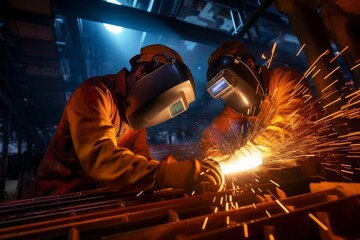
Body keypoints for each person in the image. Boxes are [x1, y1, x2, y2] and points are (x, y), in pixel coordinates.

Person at [26, 44, 223, 198]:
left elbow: (139, 158)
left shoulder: (136, 114)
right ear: (142, 73)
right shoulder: (95, 94)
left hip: (95, 196)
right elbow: (101, 159)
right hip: (56, 199)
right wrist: (164, 174)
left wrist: (171, 169)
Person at [200, 40, 321, 174]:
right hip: (291, 169)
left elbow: (289, 125)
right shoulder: (238, 104)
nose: (235, 95)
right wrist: (214, 159)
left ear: (249, 64)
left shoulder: (286, 79)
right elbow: (213, 132)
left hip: (322, 163)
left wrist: (236, 160)